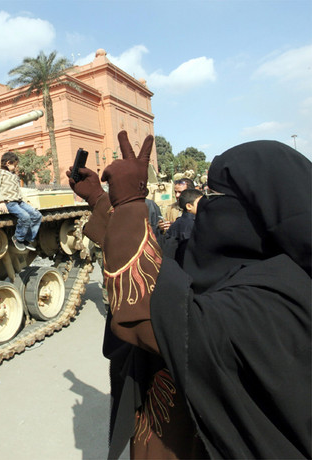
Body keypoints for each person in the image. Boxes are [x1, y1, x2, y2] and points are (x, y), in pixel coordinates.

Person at [68, 133, 311, 459]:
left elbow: (156, 316)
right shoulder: (226, 264)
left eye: (215, 194)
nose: (204, 205)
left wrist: (129, 203)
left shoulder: (277, 296)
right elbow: (157, 262)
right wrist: (101, 199)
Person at [0, 151, 42, 251]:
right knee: (25, 217)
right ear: (8, 163)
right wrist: (0, 202)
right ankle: (18, 238)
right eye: (14, 165)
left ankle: (27, 239)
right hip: (8, 202)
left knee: (37, 215)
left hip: (19, 201)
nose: (15, 167)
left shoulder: (13, 175)